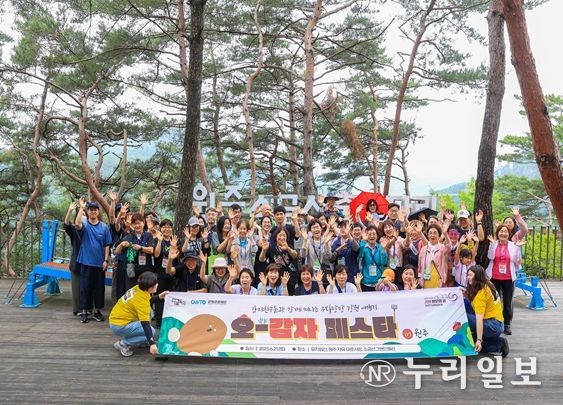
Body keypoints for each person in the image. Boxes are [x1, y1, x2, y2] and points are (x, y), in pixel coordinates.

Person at [109, 272, 168, 357]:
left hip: (117, 320)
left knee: (149, 315)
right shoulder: (141, 300)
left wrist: (159, 297)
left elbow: (145, 300)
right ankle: (123, 343)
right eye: (156, 284)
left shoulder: (138, 288)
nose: (157, 284)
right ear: (150, 288)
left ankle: (142, 341)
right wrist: (152, 343)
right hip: (120, 325)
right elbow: (145, 324)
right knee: (151, 332)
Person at [75, 198, 112, 324]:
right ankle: (85, 312)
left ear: (98, 212)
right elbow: (77, 224)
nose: (93, 212)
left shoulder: (104, 227)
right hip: (86, 262)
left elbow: (107, 245)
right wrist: (81, 208)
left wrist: (106, 260)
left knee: (99, 288)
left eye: (95, 210)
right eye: (90, 210)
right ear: (88, 212)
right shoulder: (85, 225)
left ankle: (97, 311)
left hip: (99, 263)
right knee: (85, 288)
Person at [486, 224, 523, 336]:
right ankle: (495, 322)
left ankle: (507, 324)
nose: (503, 233)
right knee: (495, 301)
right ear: (498, 233)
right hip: (494, 277)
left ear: (509, 234)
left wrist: (517, 247)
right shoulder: (494, 243)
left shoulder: (512, 245)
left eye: (505, 231)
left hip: (508, 278)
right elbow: (490, 257)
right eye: (501, 231)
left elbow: (515, 259)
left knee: (507, 302)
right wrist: (492, 245)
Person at [465, 265, 509, 357]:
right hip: (498, 323)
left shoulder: (480, 294)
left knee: (465, 317)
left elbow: (479, 320)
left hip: (492, 326)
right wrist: (466, 294)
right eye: (468, 275)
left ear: (477, 277)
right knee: (470, 340)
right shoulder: (488, 284)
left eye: (470, 275)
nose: (468, 277)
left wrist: (479, 340)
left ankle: (499, 345)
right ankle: (498, 343)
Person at [114, 213, 155, 290]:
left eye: (139, 223)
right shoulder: (128, 237)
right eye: (135, 224)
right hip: (132, 271)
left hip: (145, 272)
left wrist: (141, 248)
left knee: (145, 293)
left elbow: (151, 250)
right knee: (132, 293)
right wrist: (121, 245)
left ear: (143, 223)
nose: (137, 226)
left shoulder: (148, 235)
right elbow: (116, 252)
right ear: (132, 225)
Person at [259, 227, 300, 295]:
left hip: (289, 277)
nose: (282, 237)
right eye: (280, 235)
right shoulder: (271, 247)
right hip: (276, 278)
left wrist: (287, 249)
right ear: (276, 237)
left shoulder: (289, 246)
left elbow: (295, 255)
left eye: (284, 235)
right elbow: (261, 259)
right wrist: (263, 250)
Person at [152, 219, 174, 327]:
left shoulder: (174, 240)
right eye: (164, 227)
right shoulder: (157, 240)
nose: (167, 229)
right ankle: (159, 320)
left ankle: (170, 318)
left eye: (169, 227)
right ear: (161, 229)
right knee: (160, 297)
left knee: (171, 296)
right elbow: (156, 255)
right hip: (160, 273)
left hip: (172, 273)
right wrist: (160, 241)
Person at [418, 223, 451, 289]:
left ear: (439, 235)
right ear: (427, 235)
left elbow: (449, 246)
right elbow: (420, 266)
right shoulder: (423, 249)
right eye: (430, 233)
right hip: (425, 281)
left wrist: (445, 233)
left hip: (438, 281)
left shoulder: (442, 248)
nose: (432, 235)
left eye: (435, 233)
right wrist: (420, 278)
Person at [63, 201, 82, 316]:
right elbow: (66, 225)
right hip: (76, 263)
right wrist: (70, 211)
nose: (82, 217)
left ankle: (87, 308)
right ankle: (77, 309)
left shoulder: (89, 229)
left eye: (84, 215)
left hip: (88, 263)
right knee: (76, 288)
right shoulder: (74, 230)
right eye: (80, 215)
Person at [357, 225, 388, 291]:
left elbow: (384, 263)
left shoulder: (380, 247)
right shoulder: (363, 247)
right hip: (366, 282)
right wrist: (363, 241)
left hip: (378, 282)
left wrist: (384, 250)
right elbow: (359, 257)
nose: (372, 236)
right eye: (369, 234)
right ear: (366, 236)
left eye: (374, 234)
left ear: (377, 236)